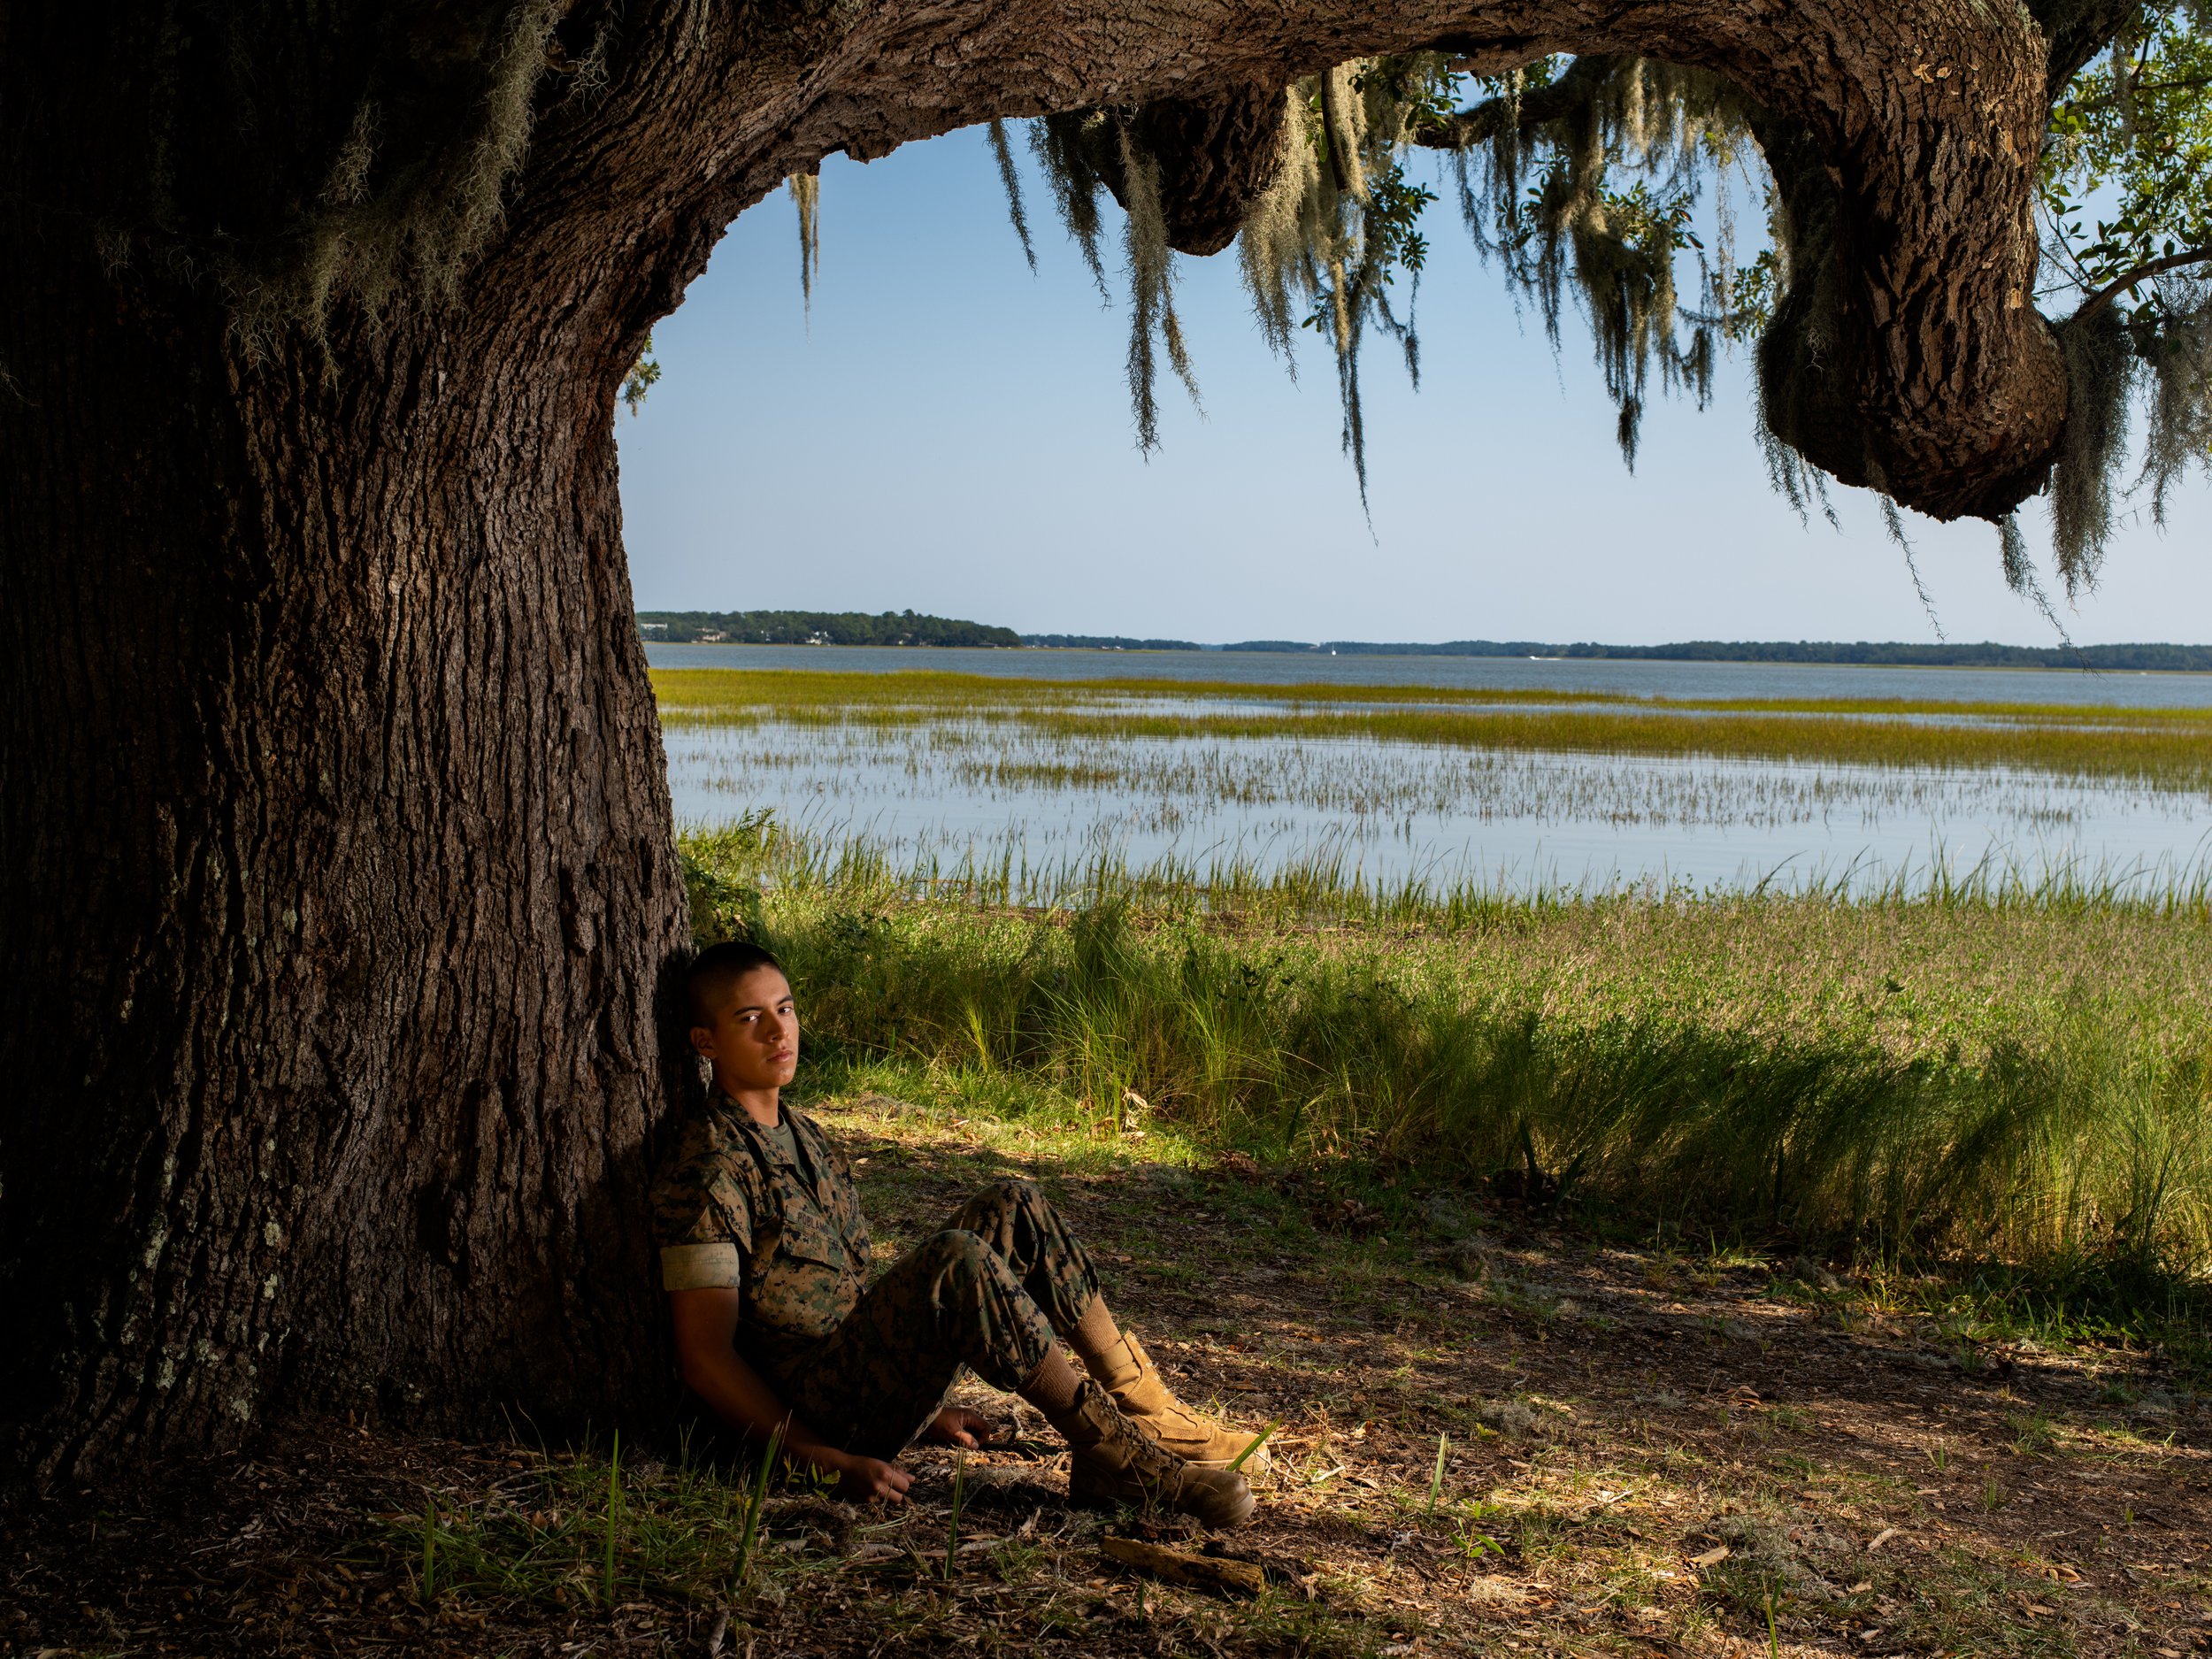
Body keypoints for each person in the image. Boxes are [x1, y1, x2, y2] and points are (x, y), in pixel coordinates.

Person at [650, 940, 1264, 1528]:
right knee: (956, 1260)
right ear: (706, 1041)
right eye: (749, 1018)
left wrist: (922, 1410)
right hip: (810, 1418)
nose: (778, 1032)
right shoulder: (708, 1166)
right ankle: (1116, 1458)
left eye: (784, 1009)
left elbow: (844, 1302)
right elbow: (706, 1358)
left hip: (858, 1382)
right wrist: (819, 1460)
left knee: (1012, 1203)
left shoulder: (806, 1135)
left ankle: (1148, 1412)